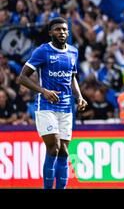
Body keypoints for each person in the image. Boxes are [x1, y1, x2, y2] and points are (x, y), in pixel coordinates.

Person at [17, 17, 87, 189]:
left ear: (68, 32)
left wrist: (79, 96)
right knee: (53, 147)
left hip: (66, 107)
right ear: (50, 33)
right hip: (46, 106)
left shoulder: (73, 52)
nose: (62, 32)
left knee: (64, 151)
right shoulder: (42, 51)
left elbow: (72, 78)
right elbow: (22, 77)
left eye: (64, 29)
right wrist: (44, 91)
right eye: (57, 29)